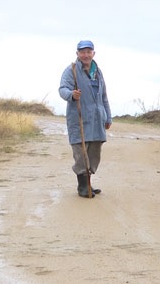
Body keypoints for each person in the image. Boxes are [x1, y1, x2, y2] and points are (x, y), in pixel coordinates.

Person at [59, 40, 112, 198]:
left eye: (89, 52)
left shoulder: (98, 72)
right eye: (82, 52)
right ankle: (82, 187)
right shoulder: (72, 71)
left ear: (93, 53)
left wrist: (108, 116)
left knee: (94, 154)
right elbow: (62, 89)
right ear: (77, 54)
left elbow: (104, 97)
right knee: (81, 154)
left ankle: (88, 183)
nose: (86, 55)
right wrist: (71, 95)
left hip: (97, 120)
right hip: (79, 119)